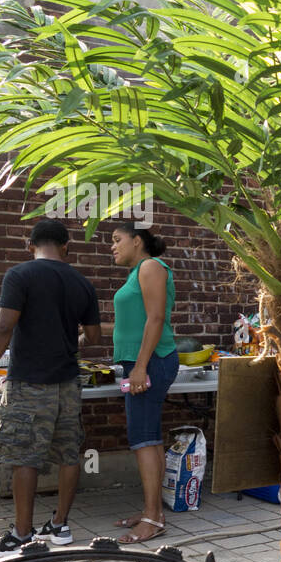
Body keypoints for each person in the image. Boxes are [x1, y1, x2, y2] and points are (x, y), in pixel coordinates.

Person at [0, 219, 102, 555]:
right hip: (68, 384)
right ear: (67, 247)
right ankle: (60, 524)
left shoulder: (20, 275)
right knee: (68, 453)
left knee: (24, 456)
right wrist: (68, 338)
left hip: (29, 383)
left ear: (30, 245)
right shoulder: (82, 283)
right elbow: (93, 336)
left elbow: (3, 325)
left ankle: (21, 534)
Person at [110, 223, 179, 544]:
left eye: (117, 240)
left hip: (151, 362)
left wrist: (139, 367)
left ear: (137, 241)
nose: (112, 246)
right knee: (148, 436)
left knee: (142, 438)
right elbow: (136, 318)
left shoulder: (151, 266)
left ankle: (152, 518)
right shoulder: (137, 271)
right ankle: (154, 512)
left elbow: (155, 318)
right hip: (143, 361)